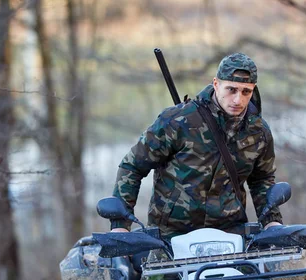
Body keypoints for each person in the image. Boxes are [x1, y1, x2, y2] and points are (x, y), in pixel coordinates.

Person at [111, 53, 282, 238]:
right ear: (216, 84)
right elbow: (132, 166)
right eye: (231, 90)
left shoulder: (259, 132)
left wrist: (271, 221)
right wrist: (120, 225)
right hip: (170, 235)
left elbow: (262, 179)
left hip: (230, 233)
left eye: (245, 91)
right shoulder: (177, 121)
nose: (238, 100)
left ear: (253, 89)